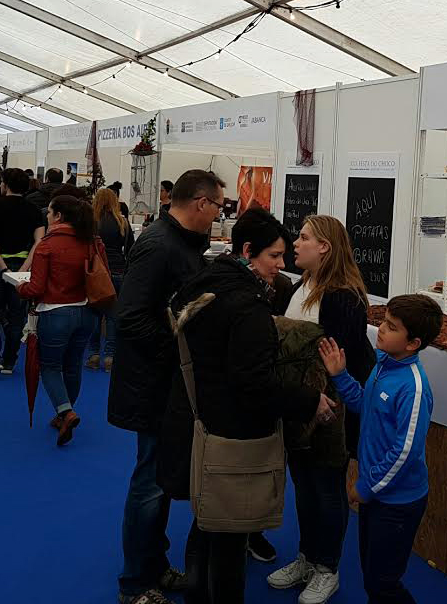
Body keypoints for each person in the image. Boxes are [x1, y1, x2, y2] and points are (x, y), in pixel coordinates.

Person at [159, 208, 336, 604]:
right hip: (232, 435)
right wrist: (308, 399)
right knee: (227, 538)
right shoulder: (247, 306)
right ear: (247, 251)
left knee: (207, 524)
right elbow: (254, 384)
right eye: (274, 255)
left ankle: (197, 595)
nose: (282, 264)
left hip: (200, 420)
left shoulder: (209, 285)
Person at [108, 169, 221, 604]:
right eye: (218, 207)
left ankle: (152, 567)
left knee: (159, 479)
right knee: (151, 483)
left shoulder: (176, 241)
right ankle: (136, 584)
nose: (218, 215)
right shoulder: (160, 245)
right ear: (201, 203)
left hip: (162, 383)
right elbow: (130, 317)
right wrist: (179, 353)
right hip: (153, 385)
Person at [266, 215, 375, 603]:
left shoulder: (343, 297)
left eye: (304, 237)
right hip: (300, 407)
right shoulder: (300, 287)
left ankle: (327, 567)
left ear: (324, 247)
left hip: (331, 412)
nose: (295, 244)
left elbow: (337, 361)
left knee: (327, 488)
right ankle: (308, 557)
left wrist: (323, 402)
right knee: (304, 484)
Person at [315, 294, 440, 604]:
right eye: (384, 321)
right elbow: (364, 404)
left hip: (397, 502)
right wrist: (340, 375)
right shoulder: (383, 365)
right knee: (372, 577)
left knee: (383, 583)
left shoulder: (413, 387)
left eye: (392, 327)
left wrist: (367, 486)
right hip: (377, 495)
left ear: (413, 343)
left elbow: (405, 452)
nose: (381, 329)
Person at [16, 195, 102, 446]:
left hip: (55, 313)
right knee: (73, 366)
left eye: (50, 211)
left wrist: (20, 287)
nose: (47, 215)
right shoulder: (90, 241)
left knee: (50, 366)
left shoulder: (47, 245)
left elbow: (36, 288)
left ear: (58, 216)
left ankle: (66, 411)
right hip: (86, 312)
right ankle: (64, 413)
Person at [0, 168, 45, 376]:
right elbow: (39, 242)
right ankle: (9, 361)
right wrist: (24, 268)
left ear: (5, 185)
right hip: (22, 268)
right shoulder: (34, 210)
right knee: (17, 317)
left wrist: (2, 267)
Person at [86, 187, 134, 372]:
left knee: (95, 314)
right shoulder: (123, 222)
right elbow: (130, 249)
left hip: (96, 271)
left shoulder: (91, 223)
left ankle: (93, 354)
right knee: (113, 316)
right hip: (118, 270)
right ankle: (110, 356)